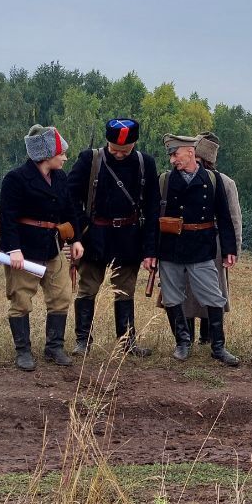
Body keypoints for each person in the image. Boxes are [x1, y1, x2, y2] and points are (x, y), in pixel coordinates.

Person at [68, 118, 160, 357]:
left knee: (125, 291)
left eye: (124, 150)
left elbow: (152, 210)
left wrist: (150, 250)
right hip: (94, 238)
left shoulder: (145, 163)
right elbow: (70, 198)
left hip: (129, 239)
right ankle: (82, 341)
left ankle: (126, 343)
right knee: (87, 289)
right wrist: (79, 234)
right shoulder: (89, 159)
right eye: (114, 149)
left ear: (134, 144)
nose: (118, 154)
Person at [0, 125, 83, 371]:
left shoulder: (60, 177)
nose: (65, 157)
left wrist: (76, 239)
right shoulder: (15, 179)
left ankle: (54, 347)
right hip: (24, 250)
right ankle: (23, 351)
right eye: (61, 153)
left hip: (52, 248)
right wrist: (13, 249)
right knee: (21, 299)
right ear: (46, 155)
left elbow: (70, 210)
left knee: (61, 296)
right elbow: (8, 218)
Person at [156, 133, 238, 366]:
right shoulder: (164, 181)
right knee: (172, 297)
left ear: (190, 152)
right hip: (170, 248)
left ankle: (218, 346)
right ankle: (182, 343)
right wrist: (150, 253)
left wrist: (230, 249)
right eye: (170, 155)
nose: (172, 160)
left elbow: (224, 216)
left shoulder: (212, 180)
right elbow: (153, 218)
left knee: (213, 296)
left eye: (175, 154)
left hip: (202, 246)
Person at [184, 133, 242, 348]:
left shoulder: (225, 183)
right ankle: (186, 337)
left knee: (212, 290)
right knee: (187, 291)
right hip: (187, 242)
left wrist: (232, 249)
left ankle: (208, 337)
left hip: (215, 244)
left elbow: (234, 219)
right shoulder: (181, 177)